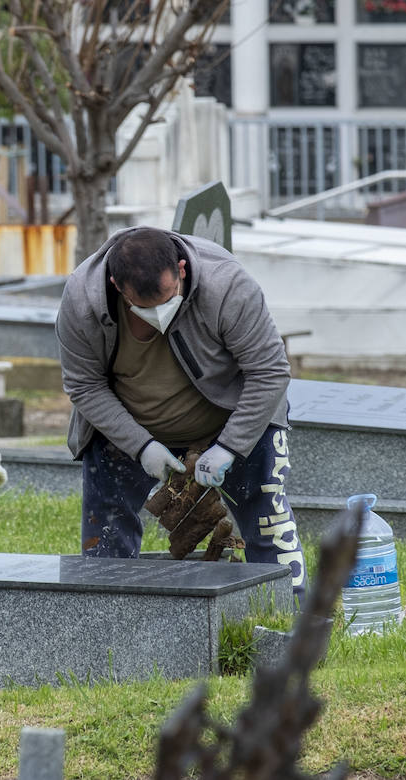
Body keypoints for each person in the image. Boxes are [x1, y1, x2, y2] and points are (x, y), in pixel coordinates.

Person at [55, 226, 306, 596]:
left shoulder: (228, 285)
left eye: (167, 296)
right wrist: (141, 446)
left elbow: (269, 372)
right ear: (116, 285)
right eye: (141, 306)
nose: (157, 314)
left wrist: (231, 447)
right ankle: (105, 630)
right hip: (129, 426)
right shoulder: (82, 299)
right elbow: (84, 385)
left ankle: (291, 622)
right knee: (106, 541)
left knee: (268, 523)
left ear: (183, 270)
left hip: (231, 419)